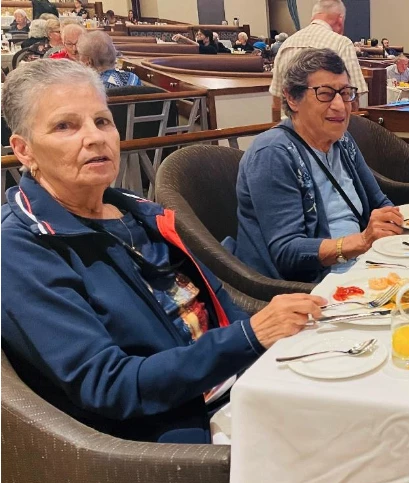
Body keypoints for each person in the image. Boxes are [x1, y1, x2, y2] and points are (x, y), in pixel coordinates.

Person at [1, 59, 326, 444]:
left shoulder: (136, 211)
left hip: (241, 387)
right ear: (24, 150)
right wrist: (250, 337)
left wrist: (269, 345)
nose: (95, 137)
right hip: (176, 435)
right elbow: (110, 385)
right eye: (65, 126)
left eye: (102, 121)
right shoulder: (22, 248)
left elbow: (219, 307)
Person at [231, 49, 401, 283]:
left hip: (363, 265)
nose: (340, 106)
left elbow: (379, 202)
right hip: (309, 286)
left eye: (345, 93)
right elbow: (288, 252)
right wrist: (362, 241)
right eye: (325, 94)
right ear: (292, 98)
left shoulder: (342, 141)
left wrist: (391, 225)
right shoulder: (272, 153)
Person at [271, 0, 368, 111]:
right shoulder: (341, 43)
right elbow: (352, 99)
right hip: (329, 119)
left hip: (291, 120)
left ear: (313, 17)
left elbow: (276, 102)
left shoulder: (286, 44)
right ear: (340, 20)